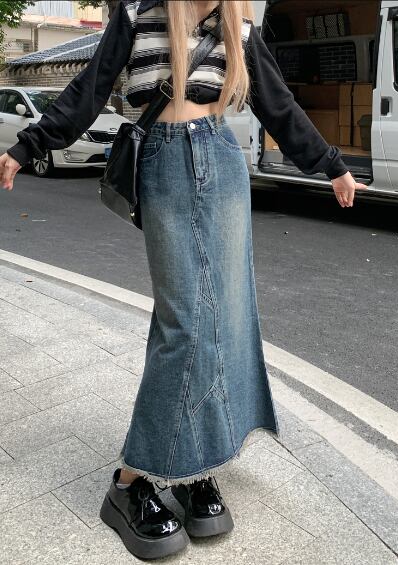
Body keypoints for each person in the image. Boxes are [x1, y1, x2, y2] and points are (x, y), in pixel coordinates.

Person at [0, 0, 367, 559]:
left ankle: (195, 463)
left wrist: (331, 163)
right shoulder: (137, 13)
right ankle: (130, 481)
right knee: (187, 324)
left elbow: (277, 104)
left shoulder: (239, 24)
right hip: (166, 163)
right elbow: (91, 86)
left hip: (222, 161)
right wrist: (30, 144)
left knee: (226, 318)